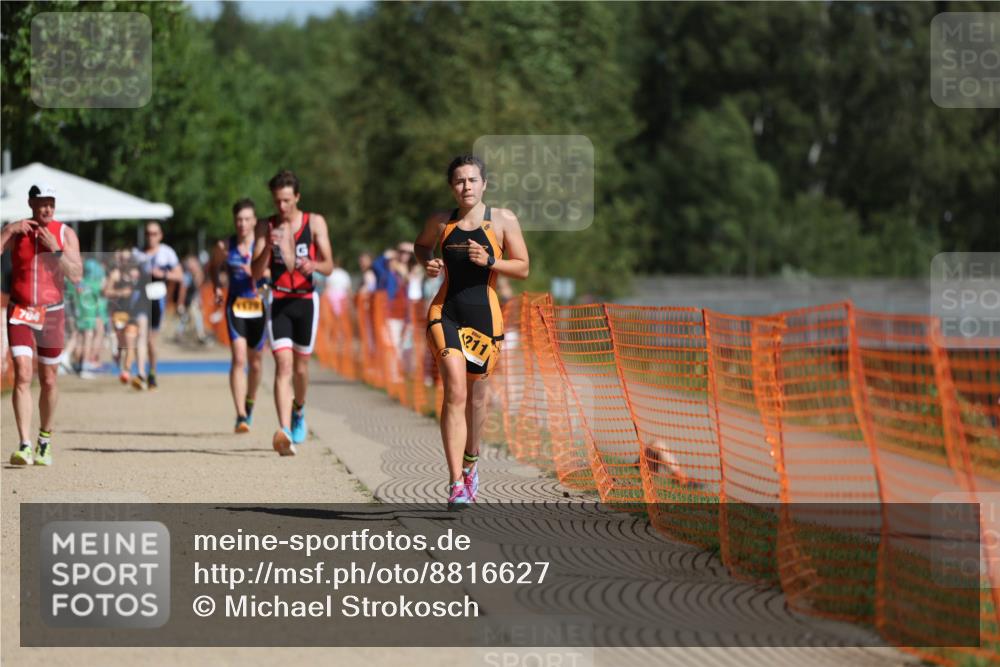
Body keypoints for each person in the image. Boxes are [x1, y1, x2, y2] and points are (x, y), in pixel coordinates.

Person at [414, 155, 529, 507]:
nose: (466, 187)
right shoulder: (440, 221)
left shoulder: (503, 220)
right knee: (454, 389)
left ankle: (471, 461)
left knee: (476, 397)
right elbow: (421, 246)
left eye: (472, 180)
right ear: (452, 187)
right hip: (445, 312)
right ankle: (454, 484)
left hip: (484, 318)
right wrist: (428, 261)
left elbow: (523, 267)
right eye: (460, 181)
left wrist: (491, 261)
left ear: (484, 184)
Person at [251, 170, 334, 455]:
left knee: (300, 368)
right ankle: (284, 429)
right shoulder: (266, 225)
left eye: (287, 200)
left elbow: (329, 265)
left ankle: (299, 409)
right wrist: (268, 250)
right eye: (277, 201)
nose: (282, 207)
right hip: (278, 300)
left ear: (297, 197)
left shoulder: (315, 222)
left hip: (306, 301)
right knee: (283, 365)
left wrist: (314, 265)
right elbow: (255, 270)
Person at [2, 183, 83, 466]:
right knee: (23, 375)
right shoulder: (17, 231)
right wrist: (7, 232)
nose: (47, 208)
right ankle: (24, 444)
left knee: (49, 380)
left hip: (52, 313)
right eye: (42, 203)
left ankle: (44, 440)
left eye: (51, 203)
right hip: (21, 310)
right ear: (31, 204)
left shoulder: (65, 233)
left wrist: (56, 250)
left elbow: (76, 276)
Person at [210, 198, 265, 433]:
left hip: (259, 306)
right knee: (239, 358)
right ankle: (241, 414)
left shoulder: (262, 246)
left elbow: (275, 270)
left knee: (255, 363)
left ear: (254, 221)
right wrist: (216, 287)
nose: (242, 224)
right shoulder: (224, 246)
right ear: (234, 221)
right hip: (235, 306)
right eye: (238, 220)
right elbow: (213, 267)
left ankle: (250, 400)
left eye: (247, 219)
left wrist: (255, 272)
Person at [132, 221, 182, 390]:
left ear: (160, 235)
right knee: (140, 335)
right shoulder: (137, 253)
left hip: (157, 299)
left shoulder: (167, 253)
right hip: (140, 298)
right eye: (148, 233)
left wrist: (163, 274)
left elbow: (179, 275)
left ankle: (152, 371)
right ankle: (140, 374)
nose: (151, 237)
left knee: (151, 341)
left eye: (154, 233)